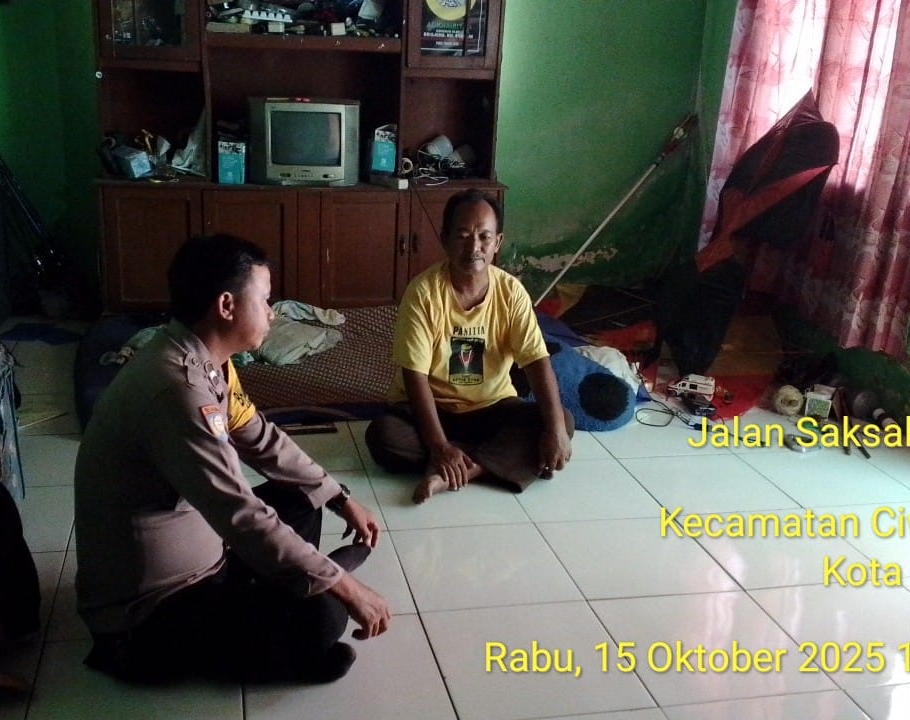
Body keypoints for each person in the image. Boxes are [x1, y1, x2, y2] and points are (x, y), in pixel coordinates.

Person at [74, 234, 391, 684]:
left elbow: (261, 438)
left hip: (211, 554)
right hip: (151, 611)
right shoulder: (177, 391)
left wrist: (339, 497)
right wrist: (343, 585)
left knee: (304, 498)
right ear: (226, 306)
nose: (272, 313)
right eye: (264, 300)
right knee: (323, 617)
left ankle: (287, 588)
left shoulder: (207, 360)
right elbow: (241, 514)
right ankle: (301, 601)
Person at [366, 189, 574, 503]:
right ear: (445, 239)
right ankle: (489, 460)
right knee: (384, 436)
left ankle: (464, 470)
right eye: (462, 236)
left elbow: (536, 361)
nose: (474, 247)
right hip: (431, 410)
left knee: (562, 421)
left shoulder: (511, 292)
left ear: (497, 243)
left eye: (484, 237)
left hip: (491, 408)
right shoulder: (422, 293)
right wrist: (439, 445)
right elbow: (415, 376)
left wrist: (555, 430)